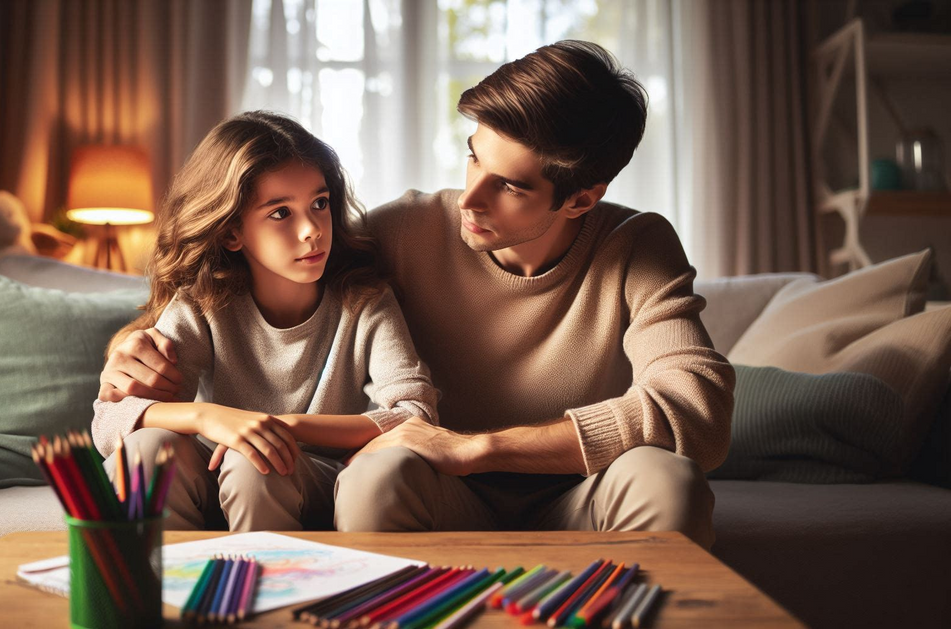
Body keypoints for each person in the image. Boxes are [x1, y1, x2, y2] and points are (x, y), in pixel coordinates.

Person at [100, 41, 734, 549]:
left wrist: (479, 447)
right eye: (472, 157)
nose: (472, 198)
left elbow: (697, 410)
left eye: (509, 186)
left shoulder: (637, 245)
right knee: (378, 475)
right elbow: (261, 268)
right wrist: (134, 346)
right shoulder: (403, 230)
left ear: (580, 198)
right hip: (435, 493)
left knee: (668, 481)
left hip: (579, 490)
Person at [90, 111, 438, 532]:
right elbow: (109, 422)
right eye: (280, 213)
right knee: (145, 450)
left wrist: (283, 427)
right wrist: (209, 418)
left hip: (308, 484)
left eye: (320, 203)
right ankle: (158, 593)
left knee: (258, 461)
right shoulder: (202, 305)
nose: (312, 229)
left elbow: (415, 414)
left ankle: (269, 592)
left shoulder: (364, 300)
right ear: (232, 232)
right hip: (209, 474)